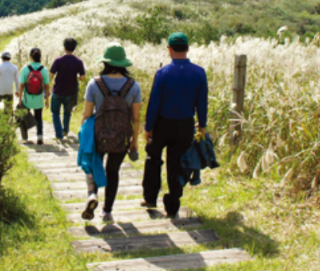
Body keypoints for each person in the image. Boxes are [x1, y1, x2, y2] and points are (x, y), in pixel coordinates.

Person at [142, 32, 208, 218]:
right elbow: (202, 103)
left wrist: (149, 127)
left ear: (169, 50)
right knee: (177, 162)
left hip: (163, 122)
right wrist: (201, 125)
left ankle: (150, 197)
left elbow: (154, 102)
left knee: (153, 158)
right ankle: (173, 204)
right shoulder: (199, 72)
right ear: (187, 49)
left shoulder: (163, 73)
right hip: (185, 124)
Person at [80, 43, 141, 221]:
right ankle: (107, 210)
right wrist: (134, 142)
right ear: (123, 63)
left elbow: (86, 113)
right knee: (113, 171)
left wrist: (84, 133)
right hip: (122, 137)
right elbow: (136, 118)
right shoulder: (133, 86)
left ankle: (92, 194)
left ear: (105, 62)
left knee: (92, 164)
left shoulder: (94, 84)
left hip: (99, 135)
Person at [50, 37, 86, 141]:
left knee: (55, 113)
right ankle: (65, 131)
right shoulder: (78, 61)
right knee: (67, 112)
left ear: (64, 47)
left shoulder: (58, 60)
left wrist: (52, 83)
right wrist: (76, 77)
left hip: (57, 90)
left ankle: (59, 135)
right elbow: (83, 78)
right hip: (70, 91)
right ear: (74, 48)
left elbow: (51, 75)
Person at [18, 47, 51, 145]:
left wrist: (20, 99)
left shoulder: (25, 68)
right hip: (39, 98)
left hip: (27, 98)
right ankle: (40, 136)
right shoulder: (44, 69)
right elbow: (47, 86)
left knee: (24, 117)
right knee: (38, 118)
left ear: (30, 57)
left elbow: (22, 85)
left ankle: (25, 137)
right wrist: (47, 100)